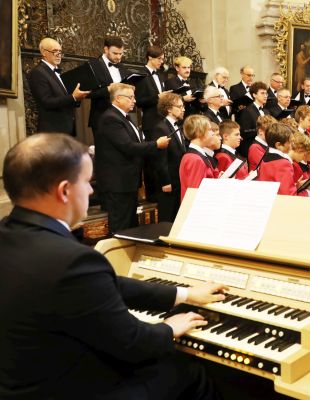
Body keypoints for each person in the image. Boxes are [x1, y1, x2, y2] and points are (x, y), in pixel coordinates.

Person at [0, 133, 226, 399]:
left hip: (19, 379)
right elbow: (133, 343)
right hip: (64, 388)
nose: (92, 191)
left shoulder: (10, 234)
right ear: (64, 191)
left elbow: (106, 284)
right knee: (185, 370)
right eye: (87, 181)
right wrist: (169, 328)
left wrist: (184, 294)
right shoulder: (72, 260)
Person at [94, 83, 171, 233]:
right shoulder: (111, 118)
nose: (134, 101)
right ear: (117, 99)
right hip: (118, 181)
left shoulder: (123, 117)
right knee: (121, 225)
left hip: (127, 180)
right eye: (130, 97)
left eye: (134, 97)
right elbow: (128, 146)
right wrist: (156, 144)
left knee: (130, 224)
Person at [27, 37, 90, 135]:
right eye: (55, 51)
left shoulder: (58, 72)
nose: (58, 55)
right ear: (43, 52)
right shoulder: (37, 72)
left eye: (60, 52)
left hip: (66, 128)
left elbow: (64, 99)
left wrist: (78, 98)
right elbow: (46, 101)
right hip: (52, 130)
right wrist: (73, 97)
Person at [135, 45, 168, 203]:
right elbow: (140, 101)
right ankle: (151, 193)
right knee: (152, 155)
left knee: (162, 156)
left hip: (161, 118)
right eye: (159, 59)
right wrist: (158, 97)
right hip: (150, 120)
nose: (162, 62)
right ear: (150, 58)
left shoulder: (160, 75)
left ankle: (162, 188)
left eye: (163, 59)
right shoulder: (141, 75)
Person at [149, 92, 186, 222]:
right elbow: (159, 158)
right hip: (169, 180)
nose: (183, 109)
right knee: (168, 217)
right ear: (169, 109)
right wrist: (165, 181)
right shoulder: (161, 128)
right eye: (180, 107)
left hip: (178, 179)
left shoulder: (178, 126)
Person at [88, 36, 131, 134]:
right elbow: (89, 93)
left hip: (122, 118)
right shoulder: (94, 65)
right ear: (106, 49)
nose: (118, 57)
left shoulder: (122, 67)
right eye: (115, 53)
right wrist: (108, 89)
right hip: (101, 118)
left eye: (121, 54)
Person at [179, 116, 222, 201]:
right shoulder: (195, 159)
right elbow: (195, 192)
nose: (213, 133)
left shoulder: (196, 155)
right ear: (199, 132)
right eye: (210, 130)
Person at [237, 81, 269, 157]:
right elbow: (244, 132)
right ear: (254, 95)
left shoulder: (266, 111)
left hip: (266, 146)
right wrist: (260, 131)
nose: (265, 96)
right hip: (252, 147)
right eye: (262, 93)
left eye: (266, 93)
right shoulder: (247, 111)